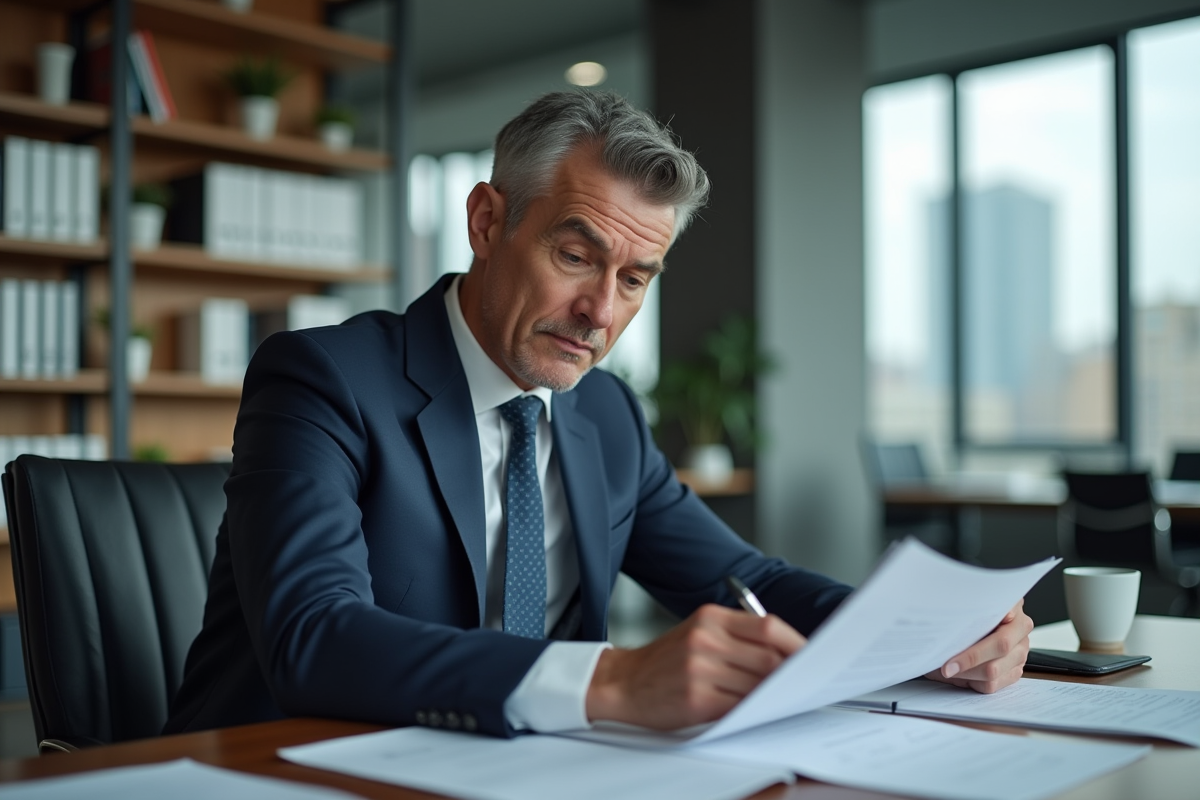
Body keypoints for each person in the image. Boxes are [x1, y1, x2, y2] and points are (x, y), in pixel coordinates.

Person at [165, 91, 1031, 738]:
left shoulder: (606, 414)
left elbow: (748, 584)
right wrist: (611, 682)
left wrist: (936, 635)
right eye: (576, 255)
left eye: (635, 278)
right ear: (486, 221)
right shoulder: (322, 379)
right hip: (279, 770)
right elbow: (315, 640)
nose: (600, 313)